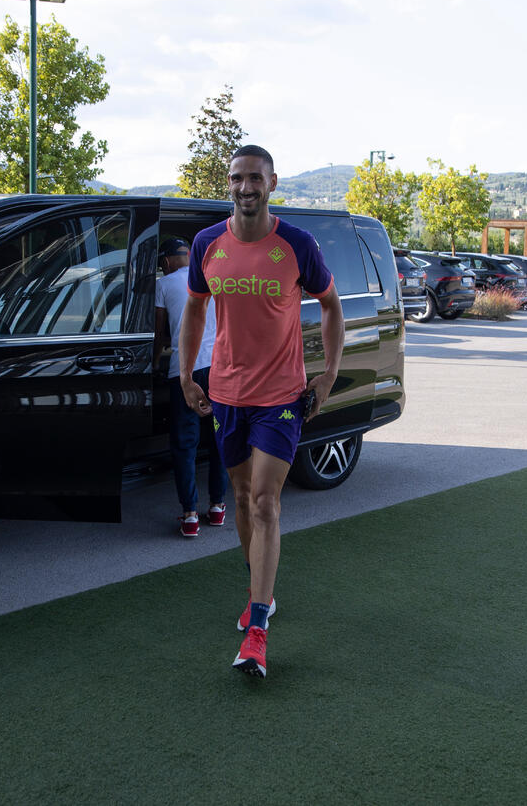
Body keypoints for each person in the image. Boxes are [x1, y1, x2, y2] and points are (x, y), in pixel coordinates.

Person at [178, 144, 344, 678]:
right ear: (228, 184)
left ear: (272, 183)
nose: (244, 187)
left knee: (268, 501)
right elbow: (196, 309)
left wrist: (328, 374)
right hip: (226, 394)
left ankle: (257, 633)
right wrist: (187, 375)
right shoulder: (207, 244)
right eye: (236, 178)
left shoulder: (297, 244)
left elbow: (331, 305)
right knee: (244, 500)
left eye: (254, 178)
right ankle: (260, 596)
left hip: (281, 396)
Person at [154, 237, 228, 537]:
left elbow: (161, 333)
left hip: (184, 372)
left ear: (168, 261)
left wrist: (154, 362)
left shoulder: (163, 284)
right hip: (219, 369)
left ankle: (189, 516)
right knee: (219, 440)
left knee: (185, 444)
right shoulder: (211, 278)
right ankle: (218, 507)